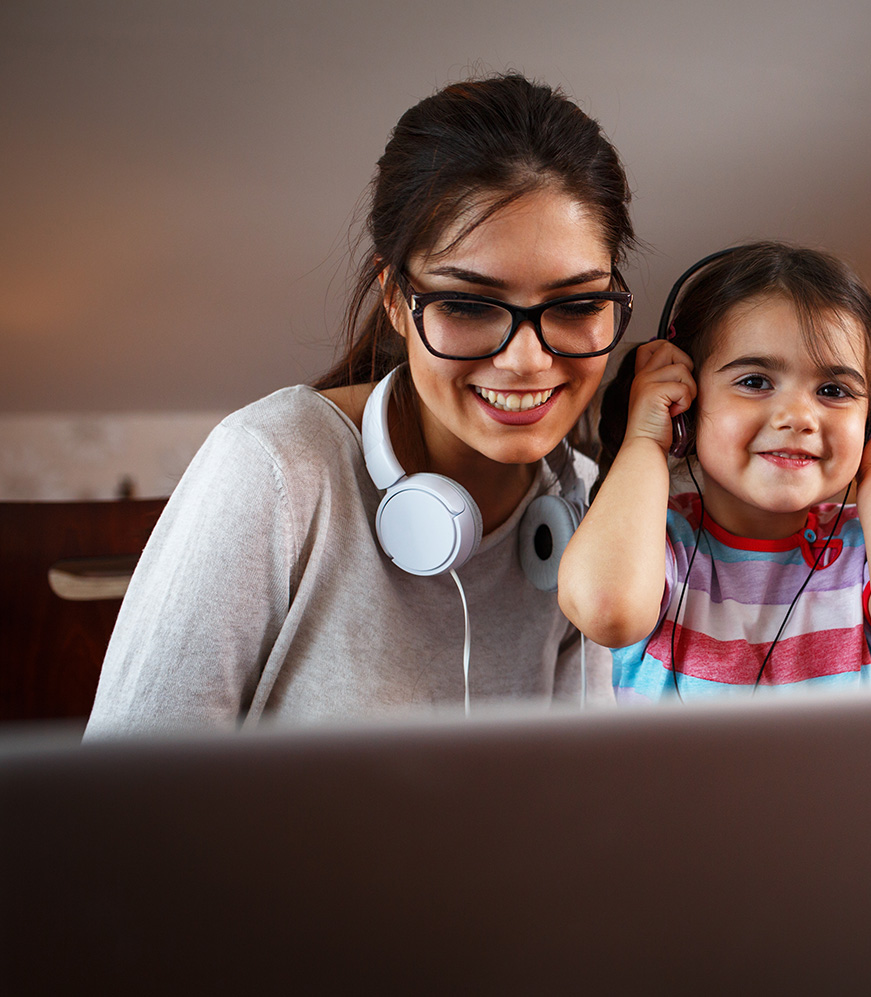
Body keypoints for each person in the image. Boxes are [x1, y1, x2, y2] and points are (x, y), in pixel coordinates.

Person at [87, 74, 635, 734]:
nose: (526, 359)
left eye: (577, 305)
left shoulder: (588, 507)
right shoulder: (274, 467)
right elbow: (123, 816)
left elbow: (592, 802)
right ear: (394, 300)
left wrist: (651, 440)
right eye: (466, 303)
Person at [557, 242, 871, 701]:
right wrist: (645, 441)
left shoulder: (867, 549)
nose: (798, 416)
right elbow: (605, 609)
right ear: (687, 404)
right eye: (755, 381)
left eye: (834, 390)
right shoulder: (654, 542)